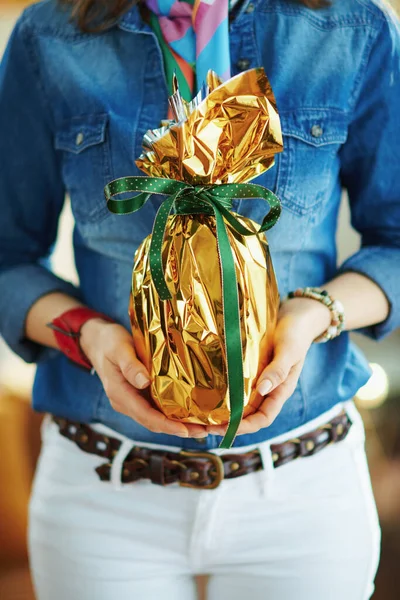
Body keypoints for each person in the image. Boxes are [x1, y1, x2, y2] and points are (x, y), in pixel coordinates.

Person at [0, 0, 399, 598]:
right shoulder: (51, 34)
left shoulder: (350, 29)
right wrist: (86, 333)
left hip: (302, 492)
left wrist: (315, 315)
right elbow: (6, 256)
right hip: (105, 491)